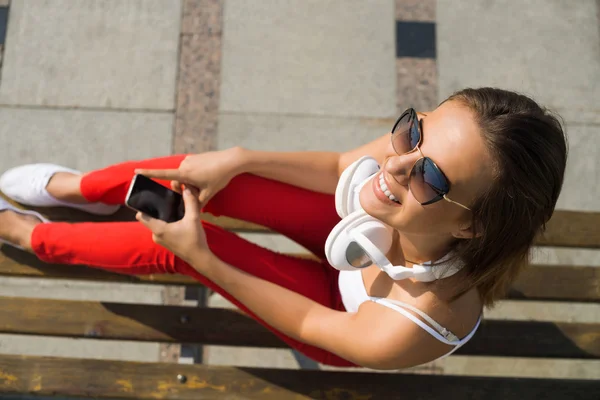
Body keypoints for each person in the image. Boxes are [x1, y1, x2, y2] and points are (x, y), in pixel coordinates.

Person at [0, 87, 567, 369]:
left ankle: (34, 237)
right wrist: (240, 158)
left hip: (332, 311)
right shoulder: (401, 171)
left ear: (471, 228)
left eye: (432, 176)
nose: (395, 164)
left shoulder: (419, 322)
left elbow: (306, 320)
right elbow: (339, 166)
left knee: (184, 245)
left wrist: (204, 257)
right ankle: (81, 190)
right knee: (213, 178)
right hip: (359, 236)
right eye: (414, 132)